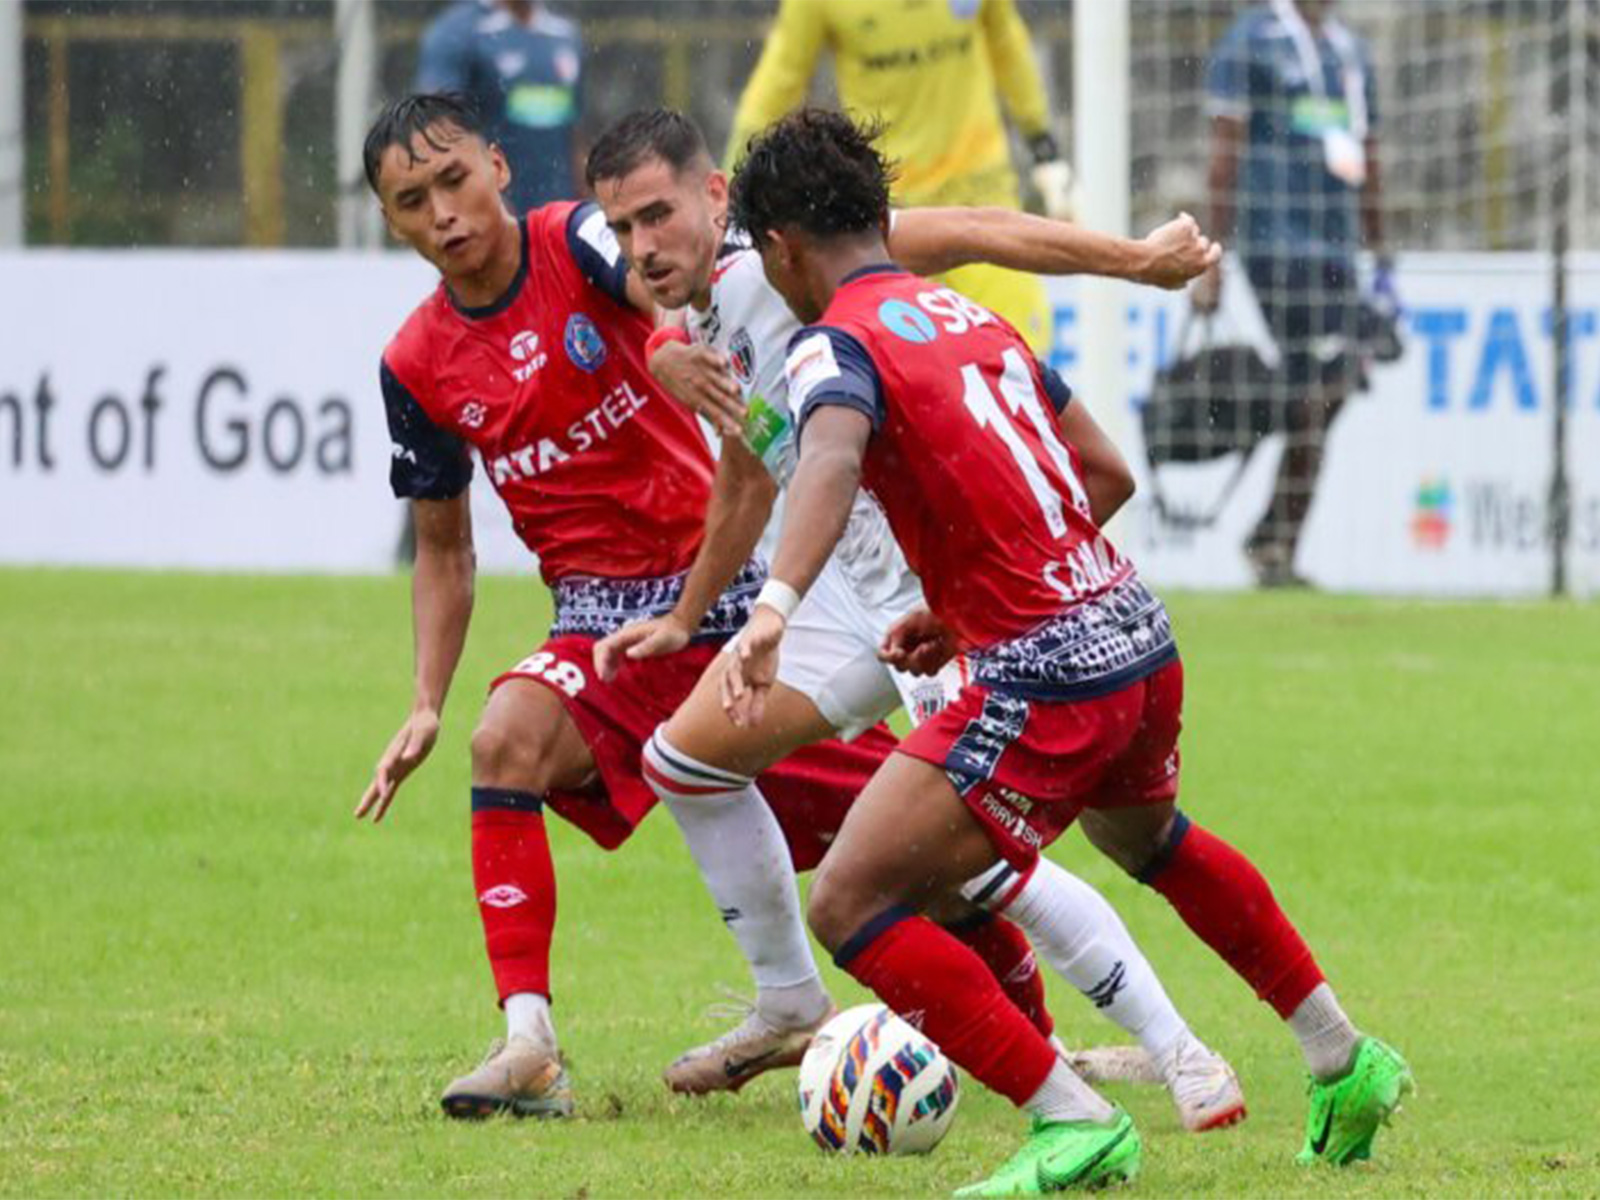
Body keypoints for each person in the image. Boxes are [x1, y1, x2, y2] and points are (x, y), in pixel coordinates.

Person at [725, 109, 1412, 1189]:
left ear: (778, 249)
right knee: (1152, 842)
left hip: (1047, 673)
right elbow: (1104, 474)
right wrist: (962, 609)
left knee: (851, 902)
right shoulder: (966, 315)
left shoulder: (832, 342)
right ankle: (1340, 1054)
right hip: (1135, 636)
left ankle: (1070, 1117)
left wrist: (773, 604)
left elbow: (828, 459)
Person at [583, 108, 1245, 1134]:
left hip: (932, 600)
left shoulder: (799, 257)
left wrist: (1137, 260)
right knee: (686, 761)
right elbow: (752, 472)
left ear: (719, 200)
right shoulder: (698, 316)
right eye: (622, 229)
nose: (641, 247)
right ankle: (789, 1004)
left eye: (657, 217)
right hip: (840, 603)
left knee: (986, 866)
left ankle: (1180, 1053)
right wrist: (683, 617)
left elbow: (979, 224)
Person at [352, 92, 897, 1120]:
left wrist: (661, 344)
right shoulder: (415, 365)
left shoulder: (577, 239)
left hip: (722, 601)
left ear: (499, 169)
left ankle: (1044, 1039)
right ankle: (528, 1047)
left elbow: (654, 280)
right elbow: (444, 548)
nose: (445, 214)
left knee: (896, 846)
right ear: (391, 221)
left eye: (456, 180)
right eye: (413, 200)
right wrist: (426, 697)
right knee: (503, 740)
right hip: (600, 632)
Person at [726, 0, 1072, 353]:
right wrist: (731, 183)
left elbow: (1006, 42)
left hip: (980, 188)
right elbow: (780, 78)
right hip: (890, 215)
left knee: (1020, 347)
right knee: (906, 363)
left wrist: (1041, 141)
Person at [1191, 0, 1392, 587]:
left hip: (1337, 250)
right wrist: (1212, 256)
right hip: (1275, 245)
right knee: (1319, 383)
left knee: (1331, 383)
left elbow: (1368, 152)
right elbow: (1225, 150)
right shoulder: (1250, 41)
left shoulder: (1348, 50)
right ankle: (1274, 543)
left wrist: (1380, 251)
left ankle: (1272, 538)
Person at [415, 0, 585, 212]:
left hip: (559, 210)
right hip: (493, 213)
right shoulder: (455, 32)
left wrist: (584, 196)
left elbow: (573, 128)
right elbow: (436, 125)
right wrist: (484, 193)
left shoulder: (565, 33)